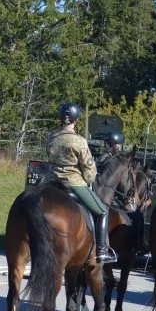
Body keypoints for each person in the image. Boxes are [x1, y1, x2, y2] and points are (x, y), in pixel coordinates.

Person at [47, 102, 115, 264]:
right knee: (102, 212)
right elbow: (89, 169)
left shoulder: (52, 138)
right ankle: (102, 251)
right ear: (76, 120)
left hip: (51, 182)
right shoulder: (79, 141)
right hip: (74, 183)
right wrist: (89, 179)